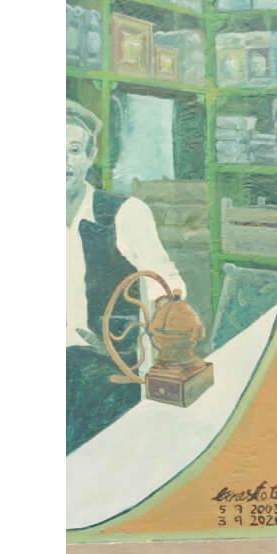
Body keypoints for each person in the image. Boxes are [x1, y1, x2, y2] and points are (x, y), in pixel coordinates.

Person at [66, 98, 187, 454]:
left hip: (108, 371)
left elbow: (166, 285)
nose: (62, 162)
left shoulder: (125, 214)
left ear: (90, 156)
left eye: (73, 150)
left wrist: (158, 362)